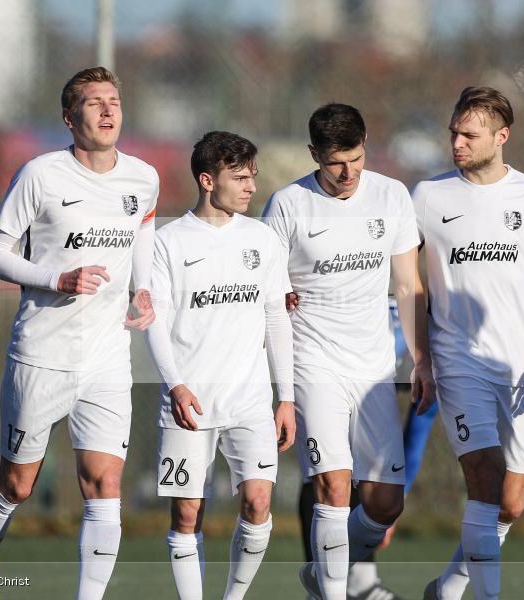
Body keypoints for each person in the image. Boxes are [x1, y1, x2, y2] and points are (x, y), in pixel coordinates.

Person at [0, 66, 158, 600]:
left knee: (105, 485)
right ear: (69, 118)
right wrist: (57, 278)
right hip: (42, 353)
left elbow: (144, 225)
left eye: (114, 100)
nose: (106, 110)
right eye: (93, 102)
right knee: (18, 485)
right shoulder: (41, 175)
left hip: (107, 357)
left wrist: (141, 288)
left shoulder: (143, 177)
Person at [415, 86, 524, 600]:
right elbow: (399, 270)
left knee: (511, 504)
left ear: (501, 136)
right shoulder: (427, 196)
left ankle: (445, 588)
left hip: (518, 366)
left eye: (470, 134)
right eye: (454, 133)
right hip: (456, 360)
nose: (458, 143)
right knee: (485, 480)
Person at [263, 103, 436, 600]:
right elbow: (265, 293)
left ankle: (326, 568)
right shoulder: (287, 205)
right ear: (314, 154)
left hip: (374, 369)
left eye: (356, 158)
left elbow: (407, 284)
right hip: (313, 365)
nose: (347, 173)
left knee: (385, 505)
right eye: (335, 162)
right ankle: (335, 590)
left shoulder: (391, 195)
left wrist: (422, 359)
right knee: (333, 489)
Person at [146, 131, 296, 600]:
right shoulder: (168, 242)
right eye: (240, 178)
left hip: (250, 401)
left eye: (252, 177)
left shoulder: (262, 239)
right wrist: (175, 386)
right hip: (188, 403)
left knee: (258, 502)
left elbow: (277, 318)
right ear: (208, 180)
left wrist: (286, 398)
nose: (251, 187)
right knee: (188, 513)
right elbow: (155, 322)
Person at [296, 301, 439, 600]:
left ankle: (357, 581)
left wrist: (401, 494)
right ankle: (330, 585)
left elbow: (418, 426)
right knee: (326, 475)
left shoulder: (428, 343)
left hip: (386, 348)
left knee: (377, 484)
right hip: (326, 351)